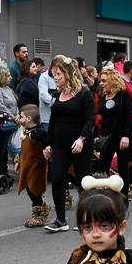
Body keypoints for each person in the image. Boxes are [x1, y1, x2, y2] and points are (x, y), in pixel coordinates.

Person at [43, 58, 96, 232]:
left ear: (67, 74)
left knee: (83, 182)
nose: (55, 77)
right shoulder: (57, 96)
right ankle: (60, 220)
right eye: (54, 74)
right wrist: (48, 144)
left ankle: (86, 219)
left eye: (58, 74)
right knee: (57, 179)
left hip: (80, 144)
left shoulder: (84, 94)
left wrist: (82, 139)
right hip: (60, 145)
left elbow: (90, 120)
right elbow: (53, 122)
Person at [94, 67, 132, 199]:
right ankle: (105, 197)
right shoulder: (104, 97)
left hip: (122, 137)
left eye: (104, 81)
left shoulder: (124, 95)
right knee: (103, 168)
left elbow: (130, 117)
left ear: (113, 80)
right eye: (100, 81)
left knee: (123, 168)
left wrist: (126, 136)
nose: (101, 83)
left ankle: (123, 197)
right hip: (107, 138)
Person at [15, 104, 50, 228]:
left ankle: (39, 215)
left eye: (21, 116)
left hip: (37, 167)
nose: (19, 118)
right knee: (29, 190)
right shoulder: (26, 131)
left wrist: (48, 152)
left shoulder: (41, 133)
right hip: (27, 166)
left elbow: (48, 146)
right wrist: (18, 161)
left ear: (29, 119)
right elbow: (24, 150)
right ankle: (42, 205)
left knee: (35, 189)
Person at [39, 55, 64, 128]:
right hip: (46, 118)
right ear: (57, 64)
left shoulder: (62, 77)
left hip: (58, 117)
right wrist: (57, 104)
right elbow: (43, 94)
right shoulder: (44, 77)